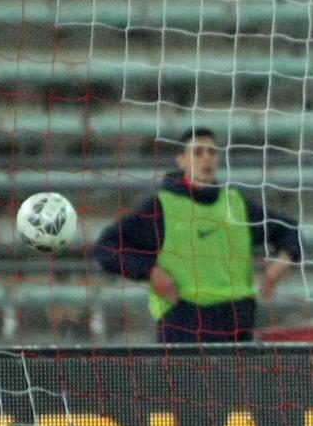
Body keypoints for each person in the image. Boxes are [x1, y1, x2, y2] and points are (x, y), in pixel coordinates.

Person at [94, 127, 301, 343]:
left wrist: (283, 261)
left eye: (212, 152)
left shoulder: (236, 204)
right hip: (183, 320)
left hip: (236, 321)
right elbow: (107, 247)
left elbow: (289, 228)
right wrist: (151, 272)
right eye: (198, 152)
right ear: (181, 160)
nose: (206, 158)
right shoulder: (163, 206)